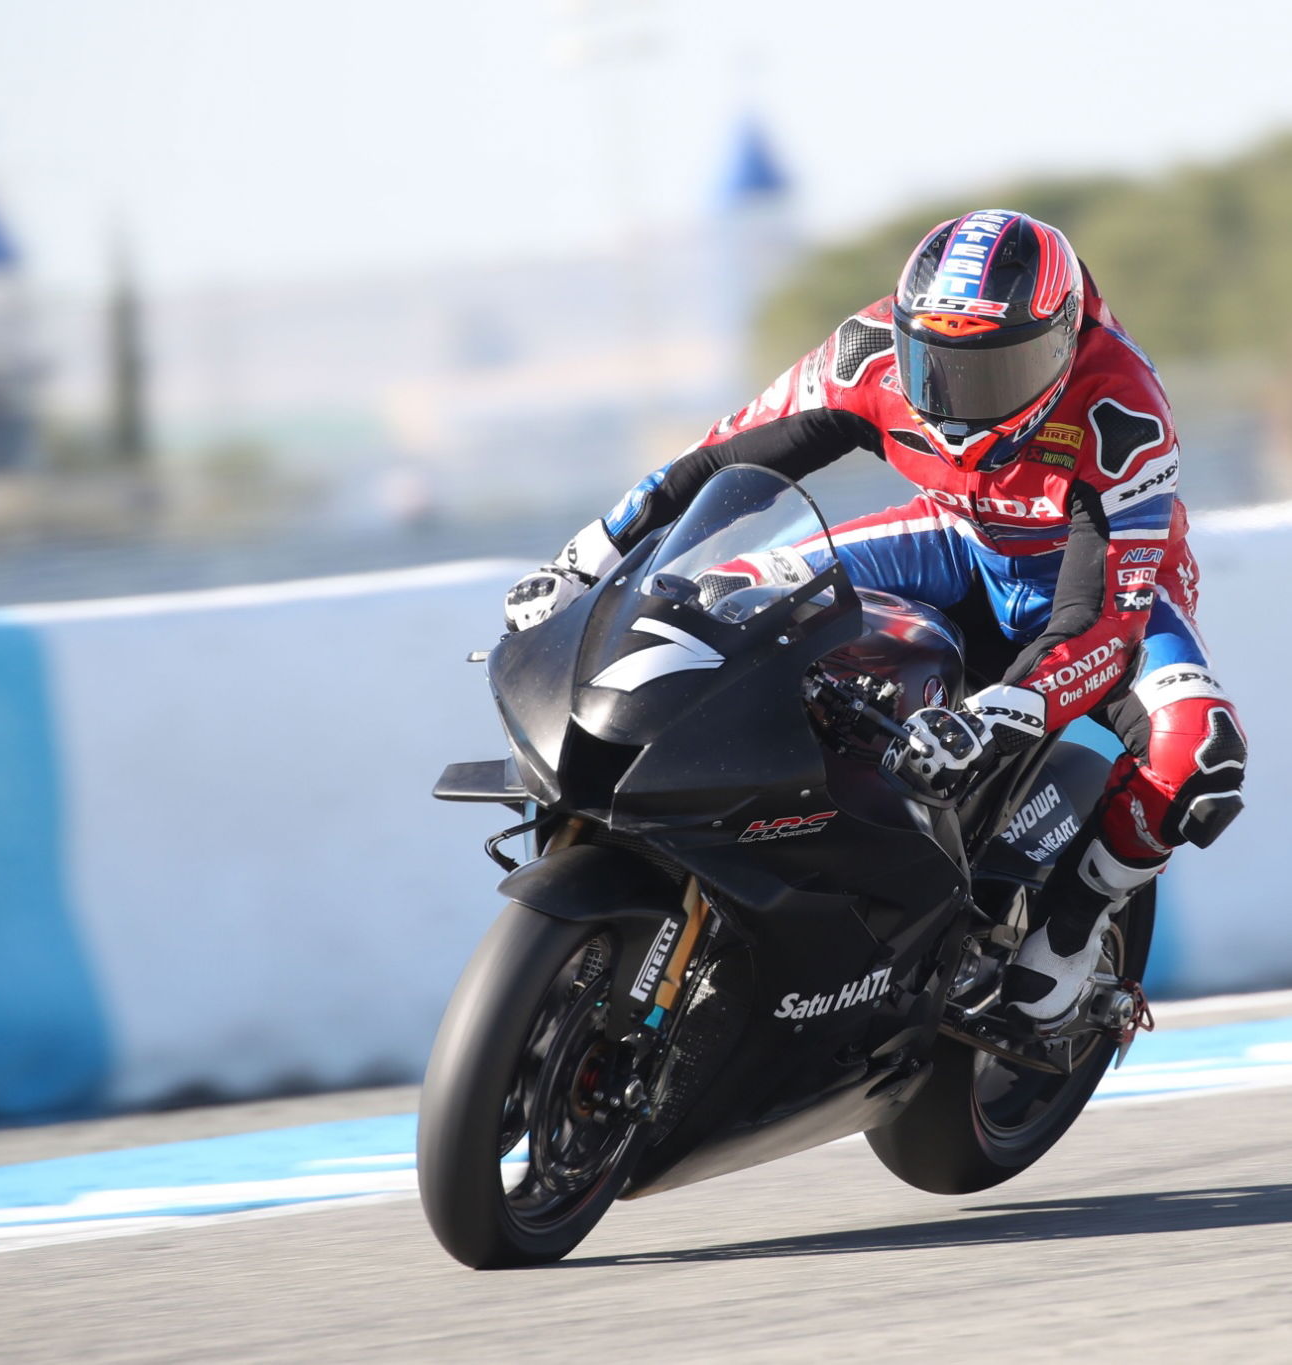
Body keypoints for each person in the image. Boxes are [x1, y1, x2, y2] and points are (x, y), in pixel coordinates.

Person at [502, 209, 1247, 1029]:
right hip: (951, 538)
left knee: (1200, 751)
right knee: (717, 595)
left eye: (1000, 369)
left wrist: (1004, 712)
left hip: (1096, 588)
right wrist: (586, 558)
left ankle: (1069, 938)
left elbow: (1101, 622)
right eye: (940, 366)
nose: (962, 399)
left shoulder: (1124, 408)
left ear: (1065, 339)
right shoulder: (864, 353)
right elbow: (721, 457)